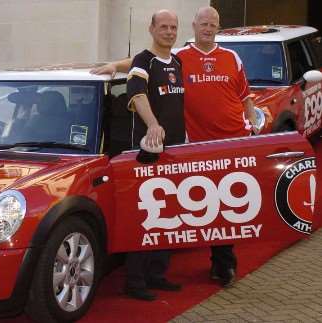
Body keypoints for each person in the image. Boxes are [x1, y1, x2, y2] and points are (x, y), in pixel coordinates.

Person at [91, 6, 272, 288]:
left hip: (232, 144)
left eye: (213, 24)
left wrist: (252, 121)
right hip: (195, 148)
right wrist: (115, 65)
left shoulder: (231, 58)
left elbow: (244, 94)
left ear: (218, 27)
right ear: (194, 26)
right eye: (203, 24)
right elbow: (144, 62)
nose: (208, 28)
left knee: (230, 208)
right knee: (198, 206)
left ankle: (223, 266)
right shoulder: (181, 58)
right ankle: (154, 273)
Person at [123, 9, 185, 301]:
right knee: (146, 216)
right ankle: (134, 281)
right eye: (164, 26)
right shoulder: (142, 61)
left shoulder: (177, 61)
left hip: (175, 151)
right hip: (148, 152)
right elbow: (136, 93)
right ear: (151, 29)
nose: (169, 32)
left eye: (173, 27)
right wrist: (153, 125)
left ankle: (157, 274)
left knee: (168, 213)